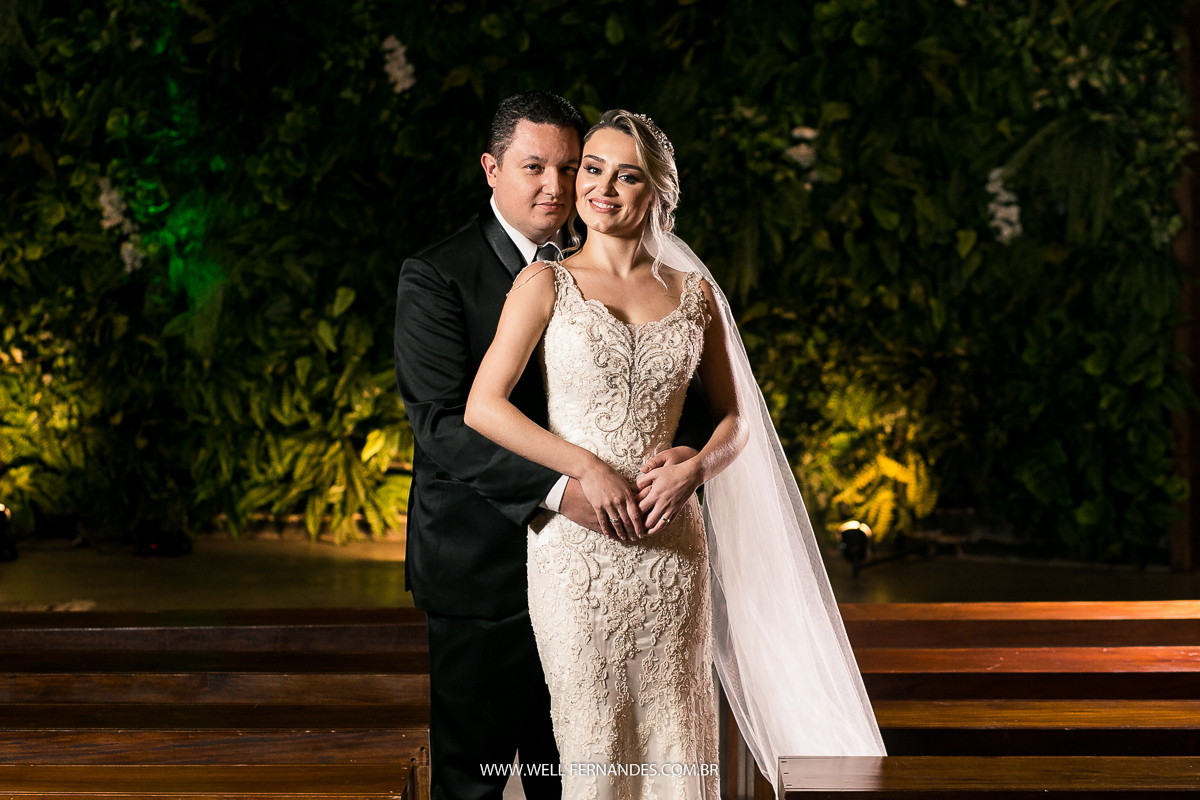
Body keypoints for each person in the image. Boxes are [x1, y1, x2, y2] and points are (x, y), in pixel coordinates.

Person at [465, 110, 886, 799]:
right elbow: (484, 406)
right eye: (592, 169)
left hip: (673, 548)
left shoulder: (696, 296)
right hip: (578, 557)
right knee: (593, 741)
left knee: (676, 739)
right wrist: (584, 466)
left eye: (626, 176)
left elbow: (737, 420)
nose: (601, 188)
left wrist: (696, 467)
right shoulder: (545, 285)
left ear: (657, 192)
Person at [393, 92, 712, 800]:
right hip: (484, 566)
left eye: (571, 167)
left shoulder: (619, 267)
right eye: (534, 167)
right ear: (492, 169)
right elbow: (442, 422)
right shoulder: (438, 273)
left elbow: (685, 394)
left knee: (580, 772)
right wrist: (564, 489)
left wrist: (685, 460)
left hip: (614, 563)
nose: (556, 185)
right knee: (473, 782)